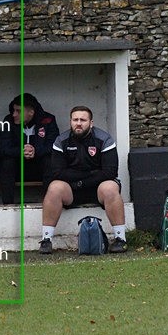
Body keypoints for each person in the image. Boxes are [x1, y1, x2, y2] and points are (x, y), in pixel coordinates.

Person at [39, 106, 127, 254]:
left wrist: (80, 179)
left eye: (83, 120)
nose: (78, 123)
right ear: (70, 122)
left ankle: (120, 239)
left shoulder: (104, 139)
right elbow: (57, 172)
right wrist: (90, 174)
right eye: (75, 120)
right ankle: (46, 240)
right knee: (54, 187)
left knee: (110, 187)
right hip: (71, 190)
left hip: (98, 189)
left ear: (91, 123)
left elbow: (110, 171)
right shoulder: (61, 141)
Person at [0, 93, 59, 204]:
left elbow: (54, 146)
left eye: (18, 111)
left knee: (49, 161)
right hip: (17, 169)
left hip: (39, 167)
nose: (14, 114)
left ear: (31, 112)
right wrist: (21, 151)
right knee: (7, 162)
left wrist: (35, 151)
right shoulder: (9, 120)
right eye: (13, 110)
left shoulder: (48, 120)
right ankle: (7, 205)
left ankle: (50, 204)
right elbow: (2, 148)